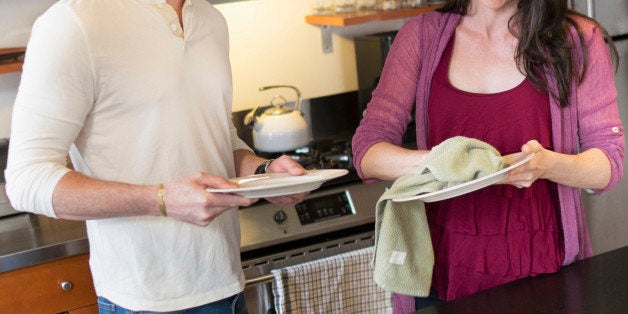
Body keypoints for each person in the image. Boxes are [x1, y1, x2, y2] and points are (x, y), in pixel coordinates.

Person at [5, 0, 307, 313]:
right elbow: (27, 180)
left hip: (227, 285)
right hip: (147, 301)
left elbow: (217, 137)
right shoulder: (73, 23)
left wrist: (263, 173)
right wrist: (160, 199)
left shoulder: (210, 19)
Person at [352, 0, 624, 312]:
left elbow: (608, 163)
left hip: (544, 270)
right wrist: (445, 162)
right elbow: (368, 149)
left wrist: (546, 164)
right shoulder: (421, 35)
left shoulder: (576, 39)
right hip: (439, 275)